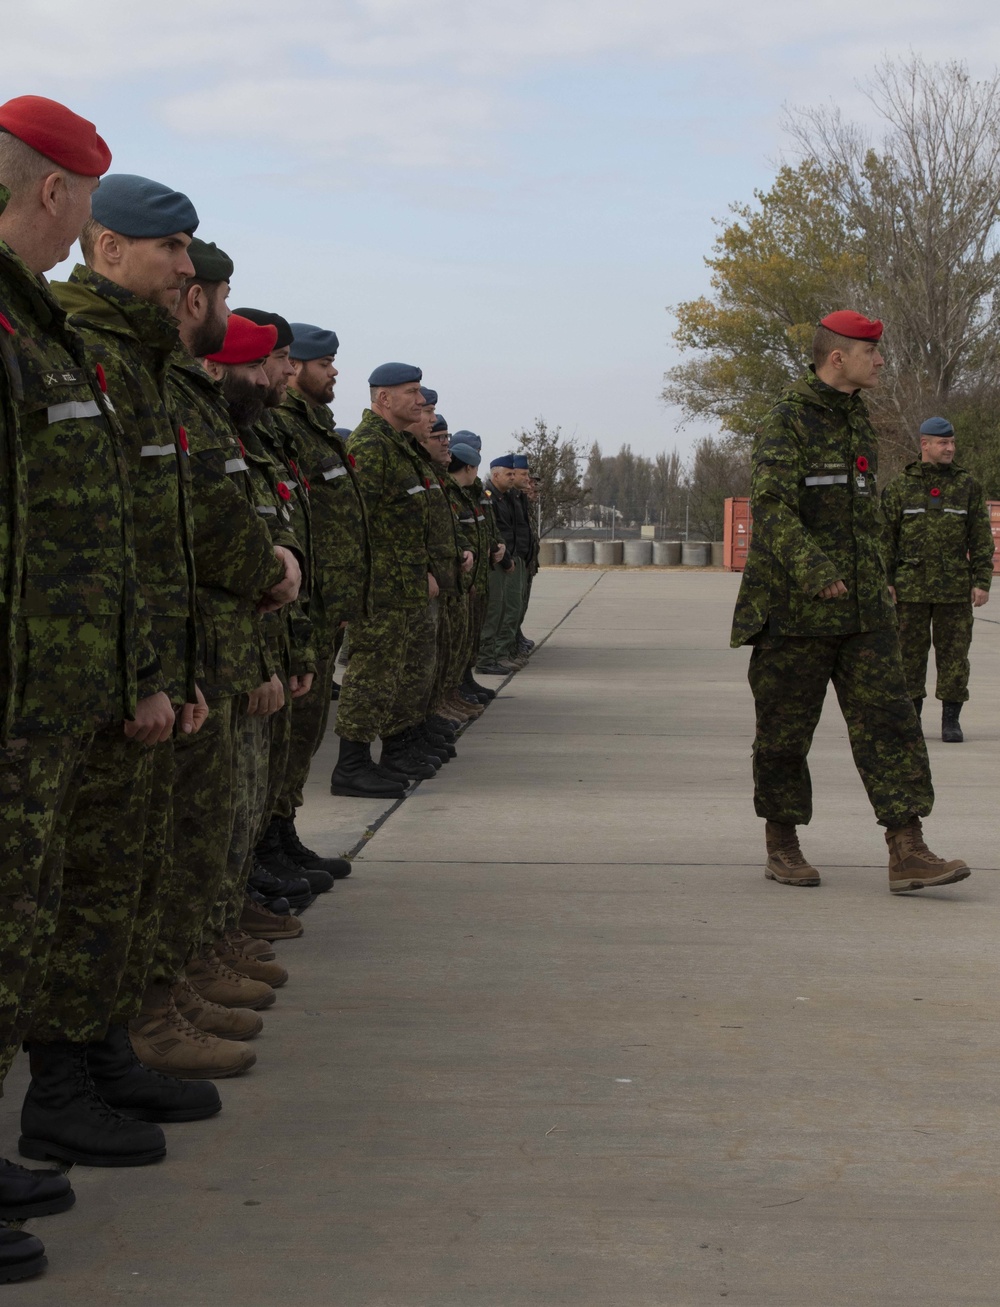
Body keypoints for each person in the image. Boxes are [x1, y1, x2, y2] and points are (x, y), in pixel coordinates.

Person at [0, 93, 171, 1276]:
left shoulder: (34, 328)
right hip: (22, 691)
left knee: (26, 921)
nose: (75, 241)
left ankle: (61, 1086)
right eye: (76, 212)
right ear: (55, 193)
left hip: (50, 692)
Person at [29, 173, 222, 1162]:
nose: (187, 268)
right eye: (172, 248)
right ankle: (60, 1084)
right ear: (105, 244)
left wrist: (160, 667)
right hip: (57, 680)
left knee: (113, 873)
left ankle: (96, 1053)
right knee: (63, 889)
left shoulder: (121, 358)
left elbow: (145, 543)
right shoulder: (82, 349)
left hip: (108, 669)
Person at [730, 309, 970, 894]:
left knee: (892, 724)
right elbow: (774, 509)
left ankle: (907, 848)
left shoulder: (859, 421)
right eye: (872, 352)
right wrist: (816, 571)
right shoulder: (786, 422)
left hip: (864, 612)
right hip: (795, 611)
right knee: (786, 733)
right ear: (838, 357)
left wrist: (880, 579)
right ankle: (782, 844)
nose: (881, 360)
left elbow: (865, 519)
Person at [330, 362, 438, 795]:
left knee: (396, 674)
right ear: (384, 399)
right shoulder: (372, 446)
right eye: (411, 391)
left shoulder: (397, 445)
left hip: (401, 584)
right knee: (370, 675)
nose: (420, 398)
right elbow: (354, 521)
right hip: (379, 588)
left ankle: (393, 750)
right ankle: (351, 765)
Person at [882, 416, 994, 743]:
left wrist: (982, 580)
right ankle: (910, 720)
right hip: (909, 589)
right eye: (943, 443)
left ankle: (950, 720)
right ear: (925, 445)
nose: (950, 448)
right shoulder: (901, 487)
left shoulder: (967, 486)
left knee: (955, 656)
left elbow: (980, 538)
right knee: (908, 656)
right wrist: (886, 580)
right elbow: (885, 538)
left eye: (952, 442)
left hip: (954, 589)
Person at [476, 454, 522, 675]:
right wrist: (505, 559)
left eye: (514, 473)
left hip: (508, 558)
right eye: (509, 474)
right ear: (495, 475)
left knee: (506, 610)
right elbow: (495, 533)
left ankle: (497, 655)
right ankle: (488, 658)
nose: (512, 478)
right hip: (496, 562)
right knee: (494, 613)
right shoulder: (488, 497)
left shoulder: (506, 498)